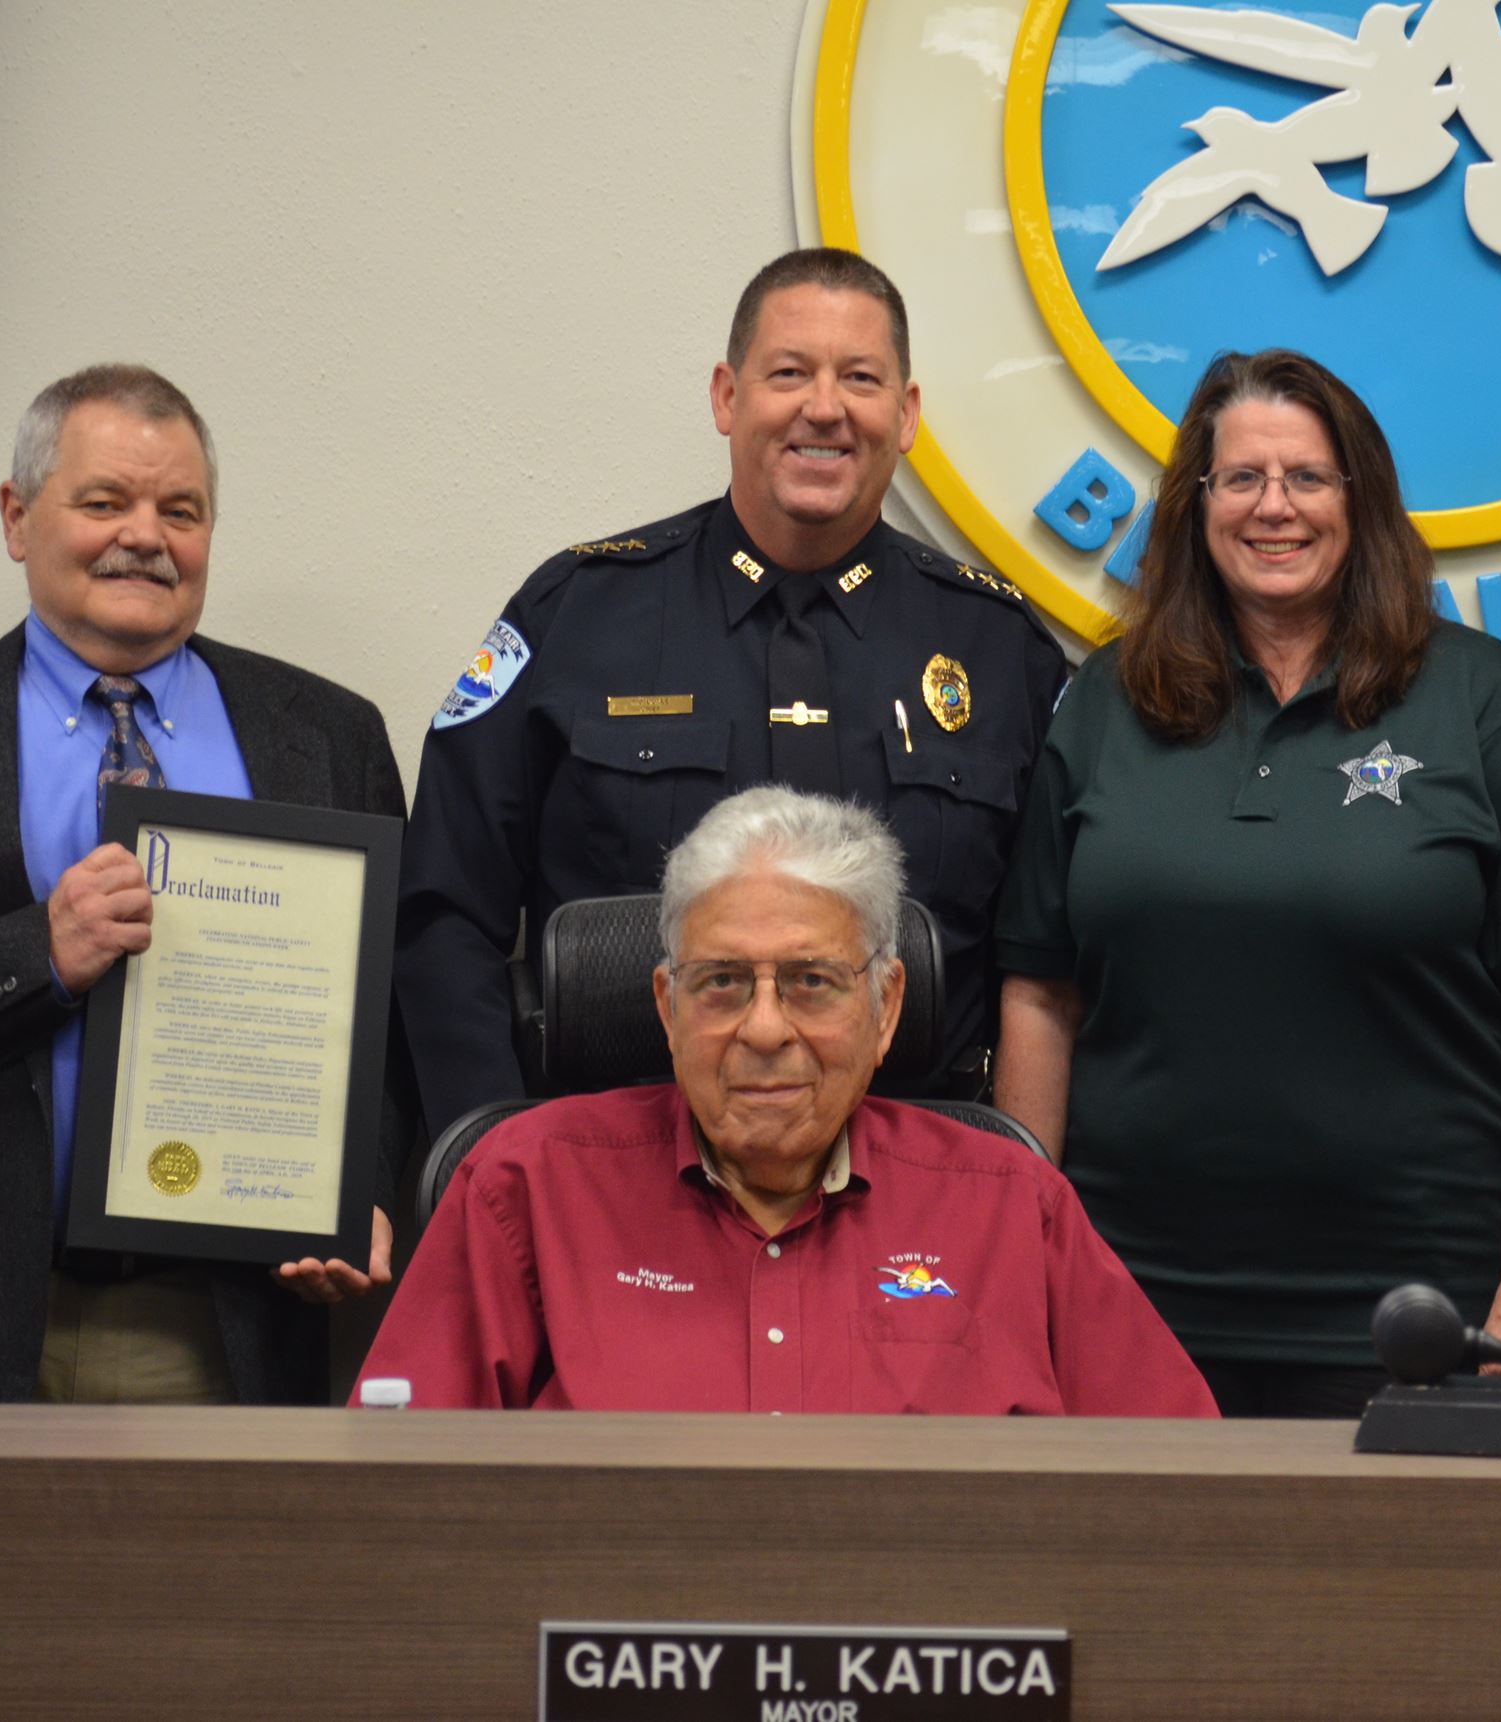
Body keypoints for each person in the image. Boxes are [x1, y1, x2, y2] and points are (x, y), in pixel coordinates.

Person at [0, 364, 407, 1404]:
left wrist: (355, 1192)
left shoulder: (326, 735)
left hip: (219, 1321)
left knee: (210, 1576)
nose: (145, 535)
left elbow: (389, 1014)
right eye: (103, 502)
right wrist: (33, 958)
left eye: (180, 510)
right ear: (16, 516)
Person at [992, 349, 1501, 1419]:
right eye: (1242, 479)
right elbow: (1038, 992)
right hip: (1128, 1293)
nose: (1274, 507)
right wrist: (1025, 1256)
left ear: (1359, 501)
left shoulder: (1476, 697)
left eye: (1308, 478)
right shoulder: (1103, 703)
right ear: (1197, 504)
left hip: (1422, 1306)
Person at [396, 248, 1069, 1139]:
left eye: (859, 379)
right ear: (726, 396)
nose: (823, 408)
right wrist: (490, 1158)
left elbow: (1049, 965)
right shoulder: (580, 616)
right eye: (789, 373)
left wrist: (1012, 1190)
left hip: (910, 1188)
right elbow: (443, 913)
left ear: (905, 415)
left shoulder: (999, 648)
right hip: (618, 1166)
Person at [355, 786, 1214, 1416]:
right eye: (722, 982)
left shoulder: (1013, 1206)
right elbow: (394, 1501)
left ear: (886, 1010)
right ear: (666, 1006)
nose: (765, 1029)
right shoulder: (523, 1185)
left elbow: (1176, 1486)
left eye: (812, 982)